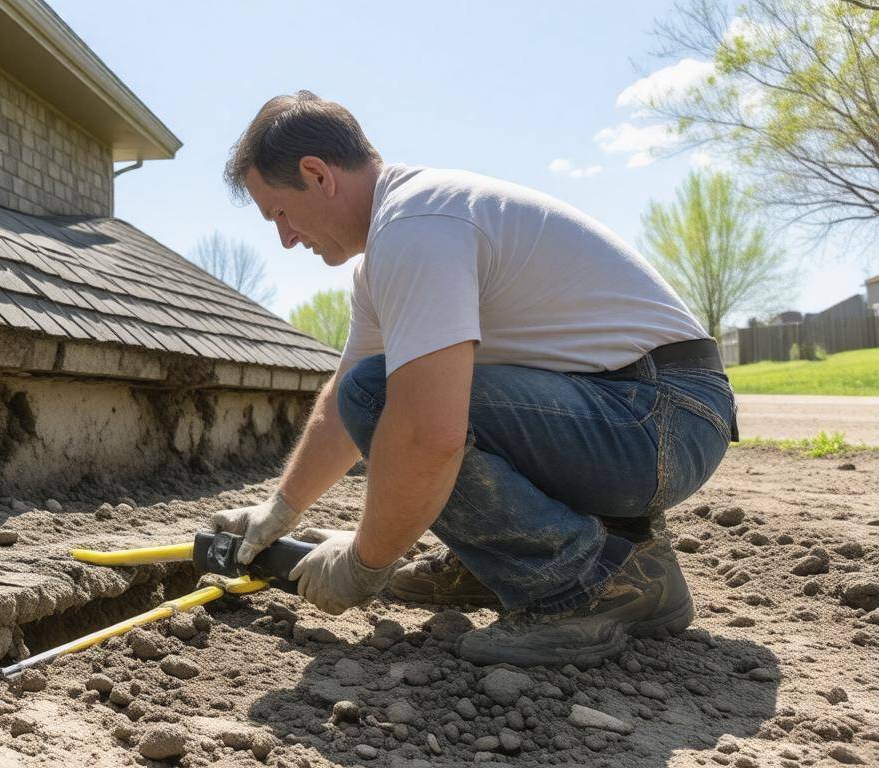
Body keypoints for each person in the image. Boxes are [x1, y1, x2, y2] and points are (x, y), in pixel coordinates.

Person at [211, 91, 736, 667]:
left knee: (389, 394)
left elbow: (423, 434)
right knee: (376, 386)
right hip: (645, 416)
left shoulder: (417, 226)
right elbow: (340, 404)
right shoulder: (399, 238)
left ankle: (586, 582)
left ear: (316, 175)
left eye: (279, 214)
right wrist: (279, 512)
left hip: (658, 419)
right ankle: (529, 561)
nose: (285, 238)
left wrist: (364, 563)